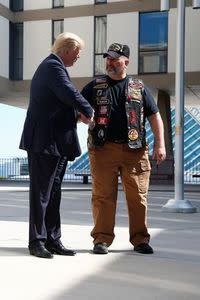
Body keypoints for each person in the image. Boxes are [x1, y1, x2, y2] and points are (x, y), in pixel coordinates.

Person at [80, 43, 166, 255]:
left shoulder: (138, 86)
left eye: (114, 58)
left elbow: (155, 116)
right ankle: (101, 239)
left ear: (126, 62)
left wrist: (160, 144)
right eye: (107, 58)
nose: (109, 62)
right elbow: (78, 108)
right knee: (102, 196)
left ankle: (140, 240)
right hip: (102, 150)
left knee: (137, 197)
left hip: (134, 151)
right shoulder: (95, 85)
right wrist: (84, 118)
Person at [19, 32, 94, 259]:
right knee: (41, 194)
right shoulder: (52, 66)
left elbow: (60, 100)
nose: (77, 58)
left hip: (55, 143)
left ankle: (53, 239)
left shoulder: (55, 67)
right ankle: (36, 242)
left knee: (53, 193)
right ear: (67, 49)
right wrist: (87, 111)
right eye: (78, 54)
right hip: (44, 142)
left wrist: (76, 113)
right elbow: (67, 92)